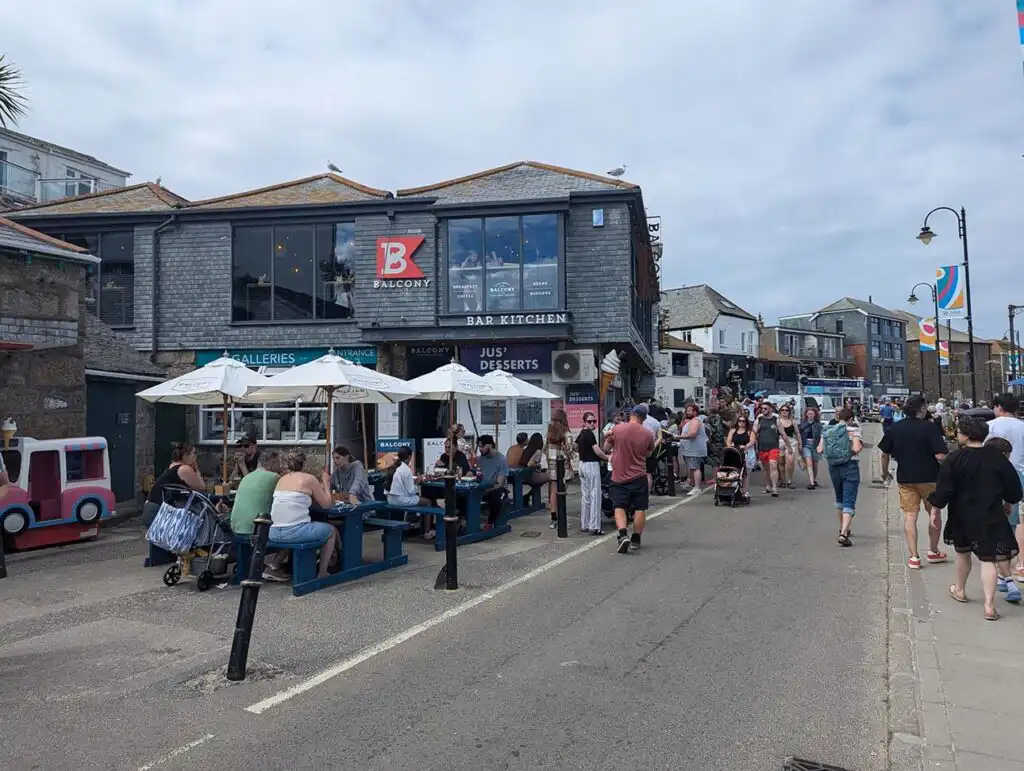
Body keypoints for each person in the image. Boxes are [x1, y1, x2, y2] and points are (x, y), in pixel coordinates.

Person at [931, 416, 1024, 620]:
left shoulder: (955, 458)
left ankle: (960, 590)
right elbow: (1013, 488)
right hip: (991, 512)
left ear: (965, 435)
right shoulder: (996, 457)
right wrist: (1008, 503)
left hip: (962, 514)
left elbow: (944, 488)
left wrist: (935, 508)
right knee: (988, 558)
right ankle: (989, 605)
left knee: (963, 554)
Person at [878, 394, 948, 569]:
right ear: (922, 409)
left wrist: (885, 472)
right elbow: (940, 455)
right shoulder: (930, 428)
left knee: (910, 516)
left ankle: (913, 557)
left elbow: (885, 453)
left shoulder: (895, 428)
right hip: (930, 477)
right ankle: (933, 551)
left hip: (905, 478)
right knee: (934, 513)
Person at [268, 449, 339, 579]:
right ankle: (322, 572)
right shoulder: (309, 479)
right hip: (294, 531)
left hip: (273, 532)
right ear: (305, 464)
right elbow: (326, 504)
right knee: (331, 531)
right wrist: (326, 483)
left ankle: (274, 565)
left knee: (292, 525)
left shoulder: (281, 479)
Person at [604, 405, 655, 553]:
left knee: (619, 506)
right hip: (639, 475)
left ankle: (622, 534)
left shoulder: (617, 429)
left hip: (618, 476)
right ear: (644, 418)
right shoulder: (648, 434)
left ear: (631, 414)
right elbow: (648, 454)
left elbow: (606, 448)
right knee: (640, 508)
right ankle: (636, 539)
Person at [986, 393, 1024, 579]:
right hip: (1021, 474)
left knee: (995, 520)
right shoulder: (1023, 426)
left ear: (999, 407)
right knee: (1016, 522)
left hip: (994, 476)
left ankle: (998, 564)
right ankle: (1020, 564)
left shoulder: (990, 426)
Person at [818, 407, 863, 546]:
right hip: (850, 466)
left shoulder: (827, 430)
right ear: (850, 419)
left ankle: (843, 527)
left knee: (839, 498)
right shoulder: (854, 430)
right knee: (849, 500)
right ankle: (844, 532)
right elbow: (856, 449)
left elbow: (820, 449)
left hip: (834, 467)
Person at [142, 443, 207, 526]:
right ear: (185, 455)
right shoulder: (184, 469)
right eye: (194, 453)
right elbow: (201, 487)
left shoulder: (172, 466)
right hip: (158, 509)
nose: (196, 457)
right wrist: (197, 470)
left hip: (150, 507)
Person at [386, 445, 435, 538]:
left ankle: (421, 527)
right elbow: (411, 492)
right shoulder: (406, 470)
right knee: (428, 502)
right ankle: (427, 531)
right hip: (400, 500)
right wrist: (417, 482)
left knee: (421, 500)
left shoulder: (395, 467)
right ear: (409, 457)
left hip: (390, 499)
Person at [230, 450, 282, 536]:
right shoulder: (275, 477)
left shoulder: (246, 478)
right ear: (272, 463)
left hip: (236, 528)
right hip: (256, 529)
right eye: (279, 463)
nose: (280, 466)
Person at [576, 411, 608, 535]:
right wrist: (608, 457)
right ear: (584, 422)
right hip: (591, 465)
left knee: (586, 495)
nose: (592, 423)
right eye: (589, 421)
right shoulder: (590, 435)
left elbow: (575, 446)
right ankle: (594, 526)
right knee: (595, 494)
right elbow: (598, 451)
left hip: (582, 464)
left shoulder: (581, 434)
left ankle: (584, 523)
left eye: (593, 421)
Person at [544, 409, 574, 529]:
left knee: (553, 492)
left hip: (552, 466)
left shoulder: (549, 434)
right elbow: (569, 452)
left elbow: (544, 450)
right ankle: (561, 518)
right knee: (562, 493)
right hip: (564, 467)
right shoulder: (567, 434)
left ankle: (553, 519)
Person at [475, 435, 509, 529]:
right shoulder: (480, 459)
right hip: (482, 487)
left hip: (497, 488)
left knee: (495, 498)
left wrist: (487, 490)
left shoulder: (501, 459)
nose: (480, 449)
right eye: (479, 447)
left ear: (489, 445)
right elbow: (475, 473)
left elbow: (500, 483)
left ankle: (491, 522)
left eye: (482, 446)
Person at [677, 403, 707, 497]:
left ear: (695, 412)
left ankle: (697, 487)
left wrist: (679, 437)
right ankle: (693, 485)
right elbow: (681, 427)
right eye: (686, 410)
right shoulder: (690, 421)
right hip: (690, 449)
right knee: (692, 467)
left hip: (694, 449)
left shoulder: (696, 421)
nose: (687, 412)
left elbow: (693, 434)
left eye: (690, 410)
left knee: (695, 467)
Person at [753, 402, 781, 497]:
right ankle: (768, 486)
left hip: (773, 447)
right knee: (765, 468)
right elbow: (754, 433)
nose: (763, 410)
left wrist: (789, 446)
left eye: (765, 408)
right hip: (762, 447)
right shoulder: (759, 419)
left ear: (770, 409)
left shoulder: (776, 420)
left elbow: (783, 434)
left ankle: (774, 488)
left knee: (773, 465)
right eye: (762, 408)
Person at [725, 413, 756, 498]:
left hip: (747, 453)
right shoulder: (733, 431)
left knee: (745, 473)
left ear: (746, 422)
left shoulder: (750, 431)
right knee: (734, 471)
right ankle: (732, 489)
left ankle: (745, 491)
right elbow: (728, 440)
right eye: (740, 421)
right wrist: (730, 446)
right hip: (735, 452)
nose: (741, 423)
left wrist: (745, 446)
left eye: (743, 421)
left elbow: (752, 441)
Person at [777, 404, 801, 489]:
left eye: (786, 410)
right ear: (780, 412)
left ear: (789, 412)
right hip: (779, 442)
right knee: (781, 462)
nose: (784, 412)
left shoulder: (792, 421)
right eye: (782, 410)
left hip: (791, 442)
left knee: (790, 462)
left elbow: (797, 433)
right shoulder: (777, 421)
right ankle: (783, 481)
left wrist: (800, 444)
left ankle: (789, 480)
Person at [799, 406, 823, 489]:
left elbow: (821, 436)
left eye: (812, 414)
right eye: (808, 414)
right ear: (806, 414)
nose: (810, 415)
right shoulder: (802, 424)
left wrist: (821, 446)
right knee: (809, 463)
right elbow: (799, 435)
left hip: (815, 445)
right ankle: (811, 482)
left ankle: (814, 479)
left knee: (815, 464)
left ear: (815, 415)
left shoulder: (818, 425)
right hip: (806, 445)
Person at [704, 402, 727, 486]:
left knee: (715, 461)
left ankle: (715, 478)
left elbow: (710, 432)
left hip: (714, 442)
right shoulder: (718, 418)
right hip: (719, 442)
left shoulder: (708, 420)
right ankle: (717, 477)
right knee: (717, 460)